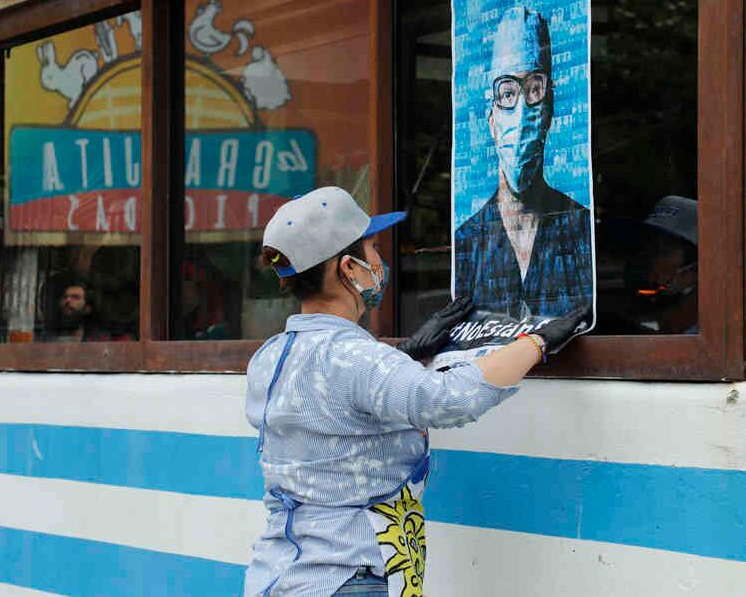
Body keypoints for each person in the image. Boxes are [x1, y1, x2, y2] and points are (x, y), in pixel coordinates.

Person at [245, 186, 590, 597]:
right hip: (346, 577)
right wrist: (535, 343)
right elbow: (448, 400)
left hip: (281, 576)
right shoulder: (356, 358)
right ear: (349, 269)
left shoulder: (270, 356)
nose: (380, 261)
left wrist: (406, 356)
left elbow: (341, 409)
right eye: (373, 249)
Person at [453, 6, 593, 320]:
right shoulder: (468, 239)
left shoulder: (581, 228)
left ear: (549, 110)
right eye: (507, 93)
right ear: (491, 118)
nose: (521, 112)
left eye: (534, 90)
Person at [622, 196, 699, 334]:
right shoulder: (642, 326)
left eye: (662, 251)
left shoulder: (717, 340)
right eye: (648, 248)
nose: (652, 260)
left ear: (696, 262)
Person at [40, 282, 114, 342]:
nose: (67, 300)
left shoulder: (99, 338)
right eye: (65, 297)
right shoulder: (45, 336)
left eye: (75, 297)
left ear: (87, 308)